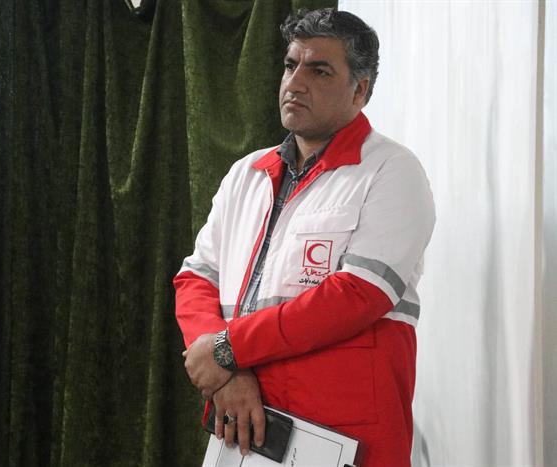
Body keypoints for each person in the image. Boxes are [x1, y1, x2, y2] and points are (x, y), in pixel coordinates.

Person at [175, 8, 435, 467]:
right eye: (290, 65)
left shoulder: (392, 171)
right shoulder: (245, 174)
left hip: (344, 433)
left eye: (319, 70)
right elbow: (196, 278)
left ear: (360, 90)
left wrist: (227, 350)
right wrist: (224, 372)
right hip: (246, 421)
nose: (294, 83)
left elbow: (358, 295)